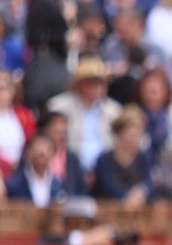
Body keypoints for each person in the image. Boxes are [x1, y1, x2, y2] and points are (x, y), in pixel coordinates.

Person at [47, 57, 122, 195]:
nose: (100, 87)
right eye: (94, 83)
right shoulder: (59, 107)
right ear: (81, 85)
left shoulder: (114, 111)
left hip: (106, 172)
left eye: (102, 83)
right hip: (70, 171)